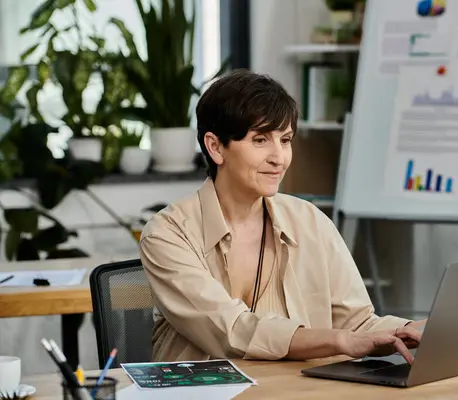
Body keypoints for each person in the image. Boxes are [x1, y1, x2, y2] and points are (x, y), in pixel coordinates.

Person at [140, 69, 425, 364]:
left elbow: (357, 324)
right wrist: (340, 340)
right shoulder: (168, 233)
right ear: (215, 147)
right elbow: (233, 331)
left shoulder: (310, 221)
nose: (279, 158)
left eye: (285, 140)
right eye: (260, 140)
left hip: (299, 391)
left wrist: (409, 331)